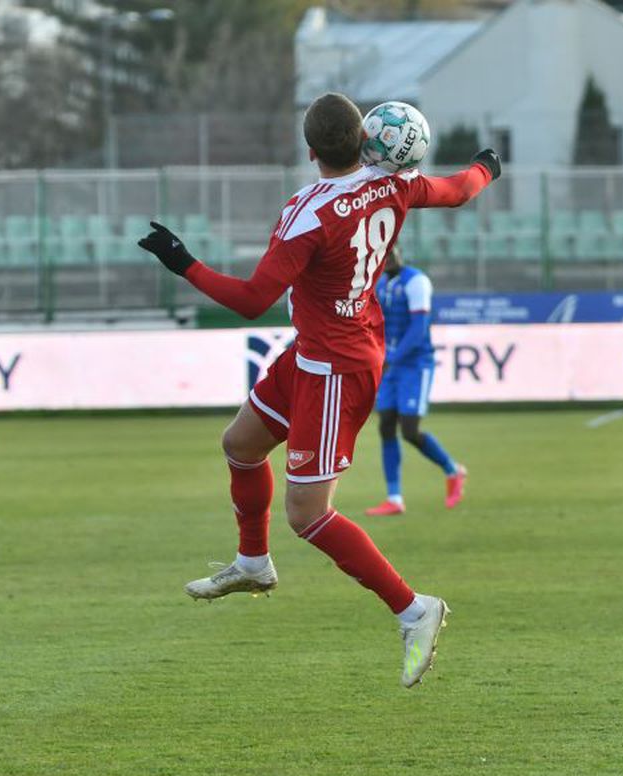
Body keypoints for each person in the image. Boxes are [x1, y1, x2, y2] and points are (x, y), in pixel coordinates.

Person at [138, 92, 499, 688]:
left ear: (308, 151)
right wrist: (487, 165)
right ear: (364, 142)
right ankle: (253, 562)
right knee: (241, 444)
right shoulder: (396, 184)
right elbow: (460, 189)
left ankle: (413, 609)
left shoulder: (307, 213)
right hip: (315, 351)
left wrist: (184, 263)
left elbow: (253, 301)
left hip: (336, 366)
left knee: (308, 514)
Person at [365, 248, 466, 516]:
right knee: (386, 424)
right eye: (381, 253)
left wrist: (393, 356)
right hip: (390, 364)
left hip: (415, 364)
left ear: (399, 251)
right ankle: (394, 498)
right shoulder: (381, 283)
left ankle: (452, 470)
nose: (387, 258)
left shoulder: (416, 281)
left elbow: (419, 327)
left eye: (391, 251)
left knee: (409, 430)